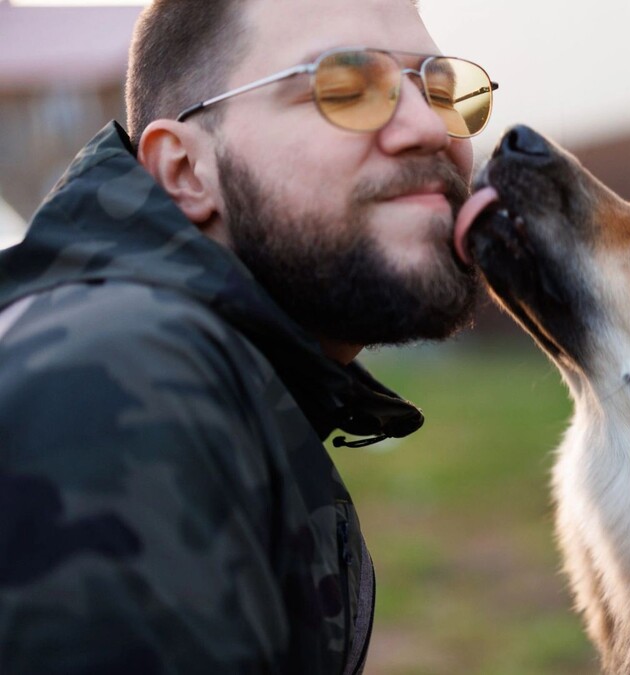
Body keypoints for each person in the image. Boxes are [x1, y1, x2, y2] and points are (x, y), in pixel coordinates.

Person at [0, 0, 497, 672]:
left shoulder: (205, 372)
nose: (430, 128)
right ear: (183, 170)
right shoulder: (112, 386)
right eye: (345, 86)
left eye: (439, 87)